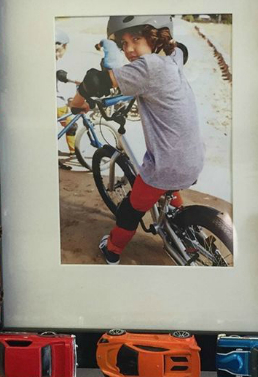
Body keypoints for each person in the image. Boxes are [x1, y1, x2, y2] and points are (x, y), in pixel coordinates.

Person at [71, 15, 205, 265]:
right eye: (124, 44)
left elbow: (95, 81)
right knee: (167, 184)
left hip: (166, 166)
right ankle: (180, 223)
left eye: (136, 39)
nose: (129, 49)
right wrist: (167, 42)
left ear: (154, 37)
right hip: (193, 158)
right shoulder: (172, 59)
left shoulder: (147, 67)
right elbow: (182, 50)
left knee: (129, 211)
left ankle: (112, 250)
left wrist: (77, 104)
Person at [54, 27, 77, 166]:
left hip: (53, 103)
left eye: (58, 51)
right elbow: (62, 75)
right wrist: (77, 81)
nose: (57, 55)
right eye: (55, 51)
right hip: (58, 104)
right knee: (71, 126)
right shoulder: (59, 62)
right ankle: (73, 152)